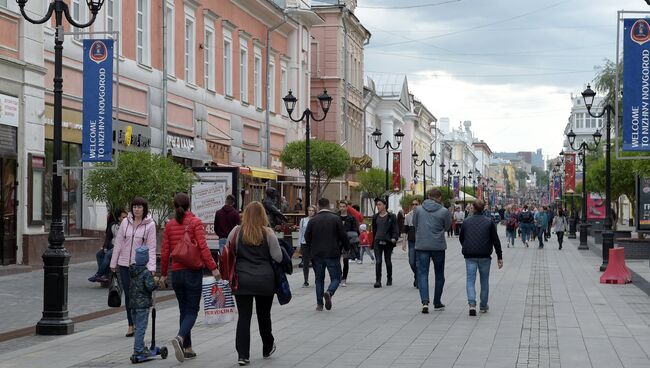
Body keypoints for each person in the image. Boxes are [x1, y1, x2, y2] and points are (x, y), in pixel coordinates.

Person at [160, 193, 220, 362]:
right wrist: (214, 269)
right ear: (189, 205)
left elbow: (165, 252)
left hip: (176, 273)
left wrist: (164, 274)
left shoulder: (170, 225)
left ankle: (188, 348)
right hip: (193, 272)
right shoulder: (195, 222)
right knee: (192, 310)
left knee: (183, 309)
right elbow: (203, 248)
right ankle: (180, 338)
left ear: (174, 206)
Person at [224, 201, 283, 366]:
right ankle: (267, 346)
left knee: (244, 317)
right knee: (264, 316)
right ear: (262, 215)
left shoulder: (236, 231)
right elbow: (278, 257)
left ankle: (243, 355)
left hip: (242, 280)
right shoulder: (268, 233)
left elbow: (227, 252)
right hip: (265, 280)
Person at [110, 197, 157, 338]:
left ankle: (138, 322)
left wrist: (152, 267)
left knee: (139, 295)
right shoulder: (125, 222)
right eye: (134, 207)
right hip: (124, 265)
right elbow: (118, 243)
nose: (136, 209)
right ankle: (131, 325)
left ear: (144, 208)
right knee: (129, 295)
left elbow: (152, 247)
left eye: (139, 207)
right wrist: (113, 263)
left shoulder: (150, 225)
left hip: (140, 267)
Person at [459, 200, 503, 316]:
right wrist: (499, 256)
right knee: (484, 281)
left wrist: (467, 246)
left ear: (473, 208)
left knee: (470, 280)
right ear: (484, 209)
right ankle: (483, 306)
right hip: (484, 255)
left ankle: (472, 304)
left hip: (470, 255)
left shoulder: (466, 222)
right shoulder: (489, 222)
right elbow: (495, 240)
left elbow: (461, 238)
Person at [304, 197, 349, 311]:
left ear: (318, 206)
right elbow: (343, 236)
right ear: (329, 206)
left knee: (319, 279)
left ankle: (319, 304)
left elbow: (307, 237)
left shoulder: (313, 220)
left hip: (317, 254)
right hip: (332, 253)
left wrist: (310, 249)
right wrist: (346, 248)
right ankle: (329, 292)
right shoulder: (336, 219)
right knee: (336, 277)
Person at [413, 188, 451, 313]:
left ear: (428, 196)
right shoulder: (444, 211)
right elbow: (447, 227)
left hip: (422, 246)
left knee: (422, 274)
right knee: (439, 274)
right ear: (439, 198)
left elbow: (415, 224)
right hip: (438, 246)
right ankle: (437, 302)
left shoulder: (418, 210)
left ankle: (425, 302)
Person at [129, 246, 158, 360]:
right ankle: (138, 350)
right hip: (143, 305)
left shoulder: (132, 271)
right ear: (146, 259)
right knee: (141, 327)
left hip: (133, 305)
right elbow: (150, 287)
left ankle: (140, 346)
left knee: (137, 327)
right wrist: (155, 282)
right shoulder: (146, 273)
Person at [89, 209, 127, 283]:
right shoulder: (113, 225)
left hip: (122, 247)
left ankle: (99, 274)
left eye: (126, 217)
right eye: (124, 217)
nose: (126, 219)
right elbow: (108, 238)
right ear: (119, 218)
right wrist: (104, 247)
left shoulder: (128, 226)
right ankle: (105, 275)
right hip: (113, 246)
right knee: (99, 254)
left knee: (108, 254)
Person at [371, 198, 399, 288]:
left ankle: (389, 278)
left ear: (384, 205)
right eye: (377, 205)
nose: (377, 206)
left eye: (379, 204)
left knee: (388, 261)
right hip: (377, 241)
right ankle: (378, 281)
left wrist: (394, 238)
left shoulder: (391, 216)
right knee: (378, 261)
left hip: (388, 241)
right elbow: (374, 230)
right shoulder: (375, 217)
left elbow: (395, 228)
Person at [338, 200, 359, 287]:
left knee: (345, 260)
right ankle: (339, 275)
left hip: (347, 242)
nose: (342, 208)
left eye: (344, 206)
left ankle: (344, 278)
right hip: (337, 241)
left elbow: (355, 231)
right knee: (336, 260)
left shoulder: (352, 218)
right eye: (340, 206)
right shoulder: (335, 217)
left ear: (347, 207)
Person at [402, 198, 420, 288]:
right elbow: (405, 230)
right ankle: (417, 276)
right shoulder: (408, 216)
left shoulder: (422, 215)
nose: (414, 206)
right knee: (412, 261)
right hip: (412, 242)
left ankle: (418, 279)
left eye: (416, 204)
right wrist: (404, 242)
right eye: (413, 204)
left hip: (421, 242)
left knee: (418, 262)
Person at [298, 205, 316, 287]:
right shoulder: (303, 220)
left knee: (315, 262)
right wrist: (299, 244)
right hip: (304, 243)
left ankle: (317, 279)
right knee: (305, 262)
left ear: (315, 212)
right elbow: (301, 232)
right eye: (309, 210)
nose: (311, 212)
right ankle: (306, 280)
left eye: (312, 210)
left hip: (314, 244)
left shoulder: (316, 220)